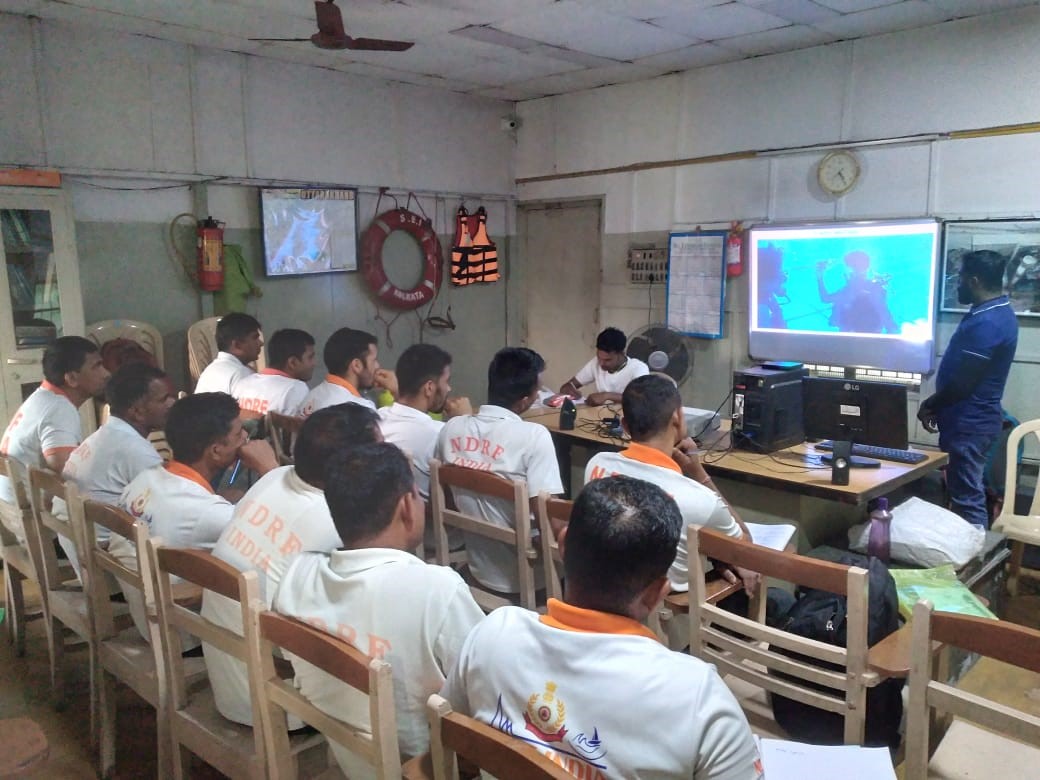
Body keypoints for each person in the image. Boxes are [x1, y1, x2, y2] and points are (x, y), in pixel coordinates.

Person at [441, 476, 760, 779]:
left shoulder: (492, 633)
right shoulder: (699, 699)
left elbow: (450, 735)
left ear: (563, 545)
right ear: (657, 593)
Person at [273, 443, 484, 775]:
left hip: (349, 757)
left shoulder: (298, 574)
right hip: (425, 766)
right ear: (406, 506)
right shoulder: (437, 591)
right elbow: (488, 692)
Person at [203, 403, 383, 726]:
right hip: (271, 703)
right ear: (353, 468)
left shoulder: (276, 479)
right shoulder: (337, 523)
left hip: (229, 677)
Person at [114, 392, 278, 641]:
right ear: (215, 450)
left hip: (149, 616)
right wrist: (270, 469)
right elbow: (282, 530)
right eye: (238, 435)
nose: (246, 438)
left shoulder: (145, 479)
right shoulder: (210, 513)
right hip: (187, 633)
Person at [584, 374, 756, 598]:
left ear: (625, 426)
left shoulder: (596, 465)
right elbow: (745, 548)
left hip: (608, 596)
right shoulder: (699, 499)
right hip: (672, 617)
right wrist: (698, 473)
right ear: (678, 417)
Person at [435, 347, 563, 595]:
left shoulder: (451, 429)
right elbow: (549, 519)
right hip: (528, 577)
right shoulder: (534, 437)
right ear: (525, 400)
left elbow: (449, 501)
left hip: (477, 566)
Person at [918, 249, 1018, 528]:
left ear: (973, 280)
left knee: (967, 499)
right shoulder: (992, 312)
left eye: (959, 279)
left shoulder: (988, 322)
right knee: (962, 493)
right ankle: (968, 559)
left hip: (970, 424)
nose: (957, 284)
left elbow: (964, 383)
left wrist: (930, 404)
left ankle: (973, 564)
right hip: (967, 422)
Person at [59, 363, 175, 574]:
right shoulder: (135, 451)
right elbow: (172, 514)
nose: (172, 403)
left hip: (83, 548)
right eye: (163, 399)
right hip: (108, 566)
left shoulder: (104, 436)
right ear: (137, 412)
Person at [0, 336, 110, 539]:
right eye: (97, 366)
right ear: (72, 379)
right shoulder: (59, 410)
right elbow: (67, 469)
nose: (106, 374)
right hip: (35, 525)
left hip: (11, 514)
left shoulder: (41, 398)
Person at [378, 344, 472, 500]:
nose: (449, 389)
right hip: (426, 520)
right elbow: (469, 486)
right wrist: (464, 423)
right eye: (446, 381)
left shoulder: (377, 417)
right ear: (429, 388)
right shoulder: (441, 433)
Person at [299, 327, 396, 415]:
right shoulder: (361, 409)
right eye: (374, 360)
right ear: (357, 365)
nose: (378, 366)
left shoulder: (311, 396)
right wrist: (397, 393)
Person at [232, 327, 316, 418]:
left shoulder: (243, 384)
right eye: (310, 357)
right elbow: (302, 429)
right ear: (293, 362)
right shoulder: (295, 389)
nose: (314, 363)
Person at [559, 327, 648, 406]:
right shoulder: (596, 363)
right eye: (599, 358)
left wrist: (607, 396)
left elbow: (642, 399)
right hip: (602, 419)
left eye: (607, 360)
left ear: (621, 353)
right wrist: (569, 389)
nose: (601, 364)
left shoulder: (638, 368)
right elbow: (567, 386)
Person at [816, 251, 898, 334]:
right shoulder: (873, 287)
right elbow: (884, 312)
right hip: (867, 336)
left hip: (852, 337)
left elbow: (825, 298)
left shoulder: (852, 289)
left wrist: (820, 276)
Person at [193, 312, 263, 395]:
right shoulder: (242, 374)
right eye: (255, 337)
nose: (261, 343)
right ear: (237, 345)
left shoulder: (209, 371)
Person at [756, 244, 788, 329]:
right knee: (777, 312)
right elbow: (776, 289)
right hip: (762, 298)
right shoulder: (775, 261)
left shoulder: (764, 255)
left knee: (777, 311)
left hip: (761, 296)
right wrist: (780, 287)